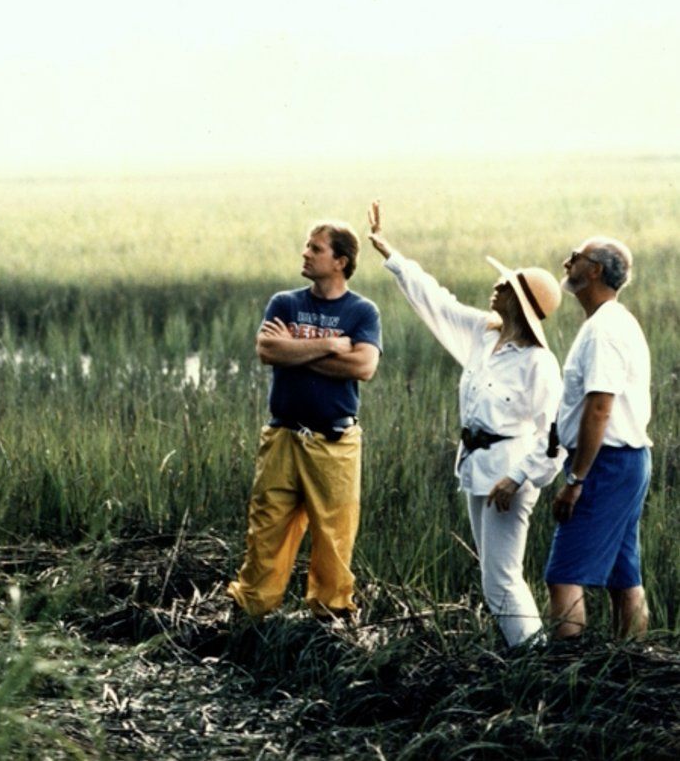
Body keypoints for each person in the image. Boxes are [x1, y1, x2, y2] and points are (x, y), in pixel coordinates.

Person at [368, 200, 562, 648]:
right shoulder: (483, 334)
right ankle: (527, 653)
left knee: (501, 578)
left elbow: (554, 437)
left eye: (507, 284)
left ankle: (534, 661)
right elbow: (436, 300)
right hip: (476, 467)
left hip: (508, 476)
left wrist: (516, 478)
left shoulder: (539, 363)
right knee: (492, 575)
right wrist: (389, 252)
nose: (496, 286)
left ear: (521, 302)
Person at [227, 221, 381, 619]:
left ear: (340, 261)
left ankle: (329, 620)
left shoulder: (362, 311)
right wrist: (329, 345)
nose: (305, 253)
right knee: (266, 529)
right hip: (282, 435)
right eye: (306, 246)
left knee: (334, 535)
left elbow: (363, 366)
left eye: (315, 249)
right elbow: (267, 350)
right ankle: (252, 614)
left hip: (334, 441)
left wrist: (295, 349)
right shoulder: (285, 302)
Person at [517, 237, 651, 640]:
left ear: (594, 270)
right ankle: (630, 667)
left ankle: (567, 678)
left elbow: (599, 408)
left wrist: (575, 481)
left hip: (606, 463)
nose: (566, 261)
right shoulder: (611, 322)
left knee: (563, 576)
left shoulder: (603, 331)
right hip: (624, 461)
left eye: (576, 258)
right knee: (623, 577)